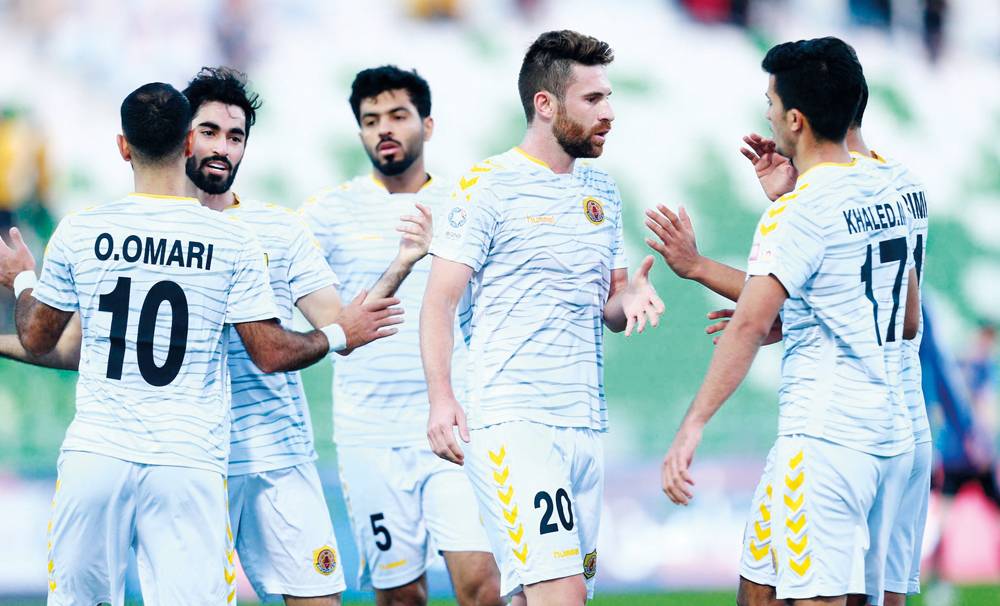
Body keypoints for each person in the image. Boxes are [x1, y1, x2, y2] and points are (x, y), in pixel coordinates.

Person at [0, 82, 398, 605]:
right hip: (189, 458)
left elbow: (45, 336)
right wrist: (353, 321)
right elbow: (272, 349)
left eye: (236, 136)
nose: (222, 147)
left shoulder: (85, 229)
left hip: (149, 452)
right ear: (186, 140)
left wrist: (23, 282)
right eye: (210, 132)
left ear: (125, 146)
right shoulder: (229, 242)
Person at [658, 38, 918, 606]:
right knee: (770, 590)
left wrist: (692, 425)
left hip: (823, 436)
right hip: (894, 432)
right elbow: (905, 320)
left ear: (795, 119)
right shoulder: (893, 186)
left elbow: (749, 324)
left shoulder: (799, 211)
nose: (767, 113)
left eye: (771, 102)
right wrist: (805, 315)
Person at [420, 30, 664, 606]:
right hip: (512, 419)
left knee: (536, 596)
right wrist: (441, 397)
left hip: (583, 423)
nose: (609, 113)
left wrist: (628, 301)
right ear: (545, 104)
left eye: (608, 98)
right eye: (593, 100)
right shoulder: (487, 185)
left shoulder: (602, 190)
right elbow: (439, 301)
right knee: (562, 595)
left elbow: (607, 304)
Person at [299, 65, 503, 606]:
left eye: (397, 116)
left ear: (427, 125)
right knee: (399, 594)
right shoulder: (326, 214)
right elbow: (329, 317)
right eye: (370, 120)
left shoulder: (466, 202)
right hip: (368, 433)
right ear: (360, 132)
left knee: (482, 582)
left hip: (453, 422)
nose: (384, 129)